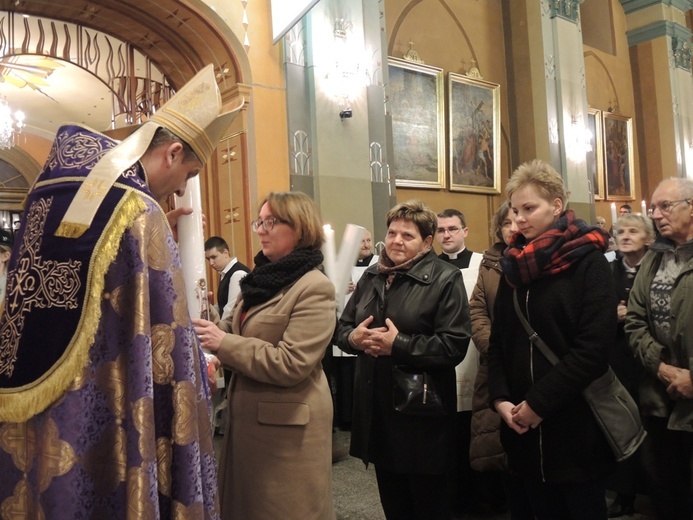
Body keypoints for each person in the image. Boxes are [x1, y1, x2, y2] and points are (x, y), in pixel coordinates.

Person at [0, 64, 241, 518]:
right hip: (109, 413)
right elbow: (166, 341)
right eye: (188, 174)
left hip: (31, 404)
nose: (181, 191)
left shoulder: (49, 192)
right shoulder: (138, 209)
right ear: (171, 154)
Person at [193, 191, 337, 520]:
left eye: (270, 222)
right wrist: (207, 315)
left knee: (284, 510)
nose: (260, 229)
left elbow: (291, 363)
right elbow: (232, 327)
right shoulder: (260, 280)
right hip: (249, 425)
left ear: (300, 228)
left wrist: (223, 343)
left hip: (286, 433)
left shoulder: (314, 287)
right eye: (259, 221)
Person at [488, 159, 617, 519]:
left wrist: (538, 405)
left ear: (557, 206)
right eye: (515, 210)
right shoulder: (513, 265)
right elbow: (498, 342)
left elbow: (593, 349)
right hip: (520, 429)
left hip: (573, 426)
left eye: (529, 208)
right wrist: (500, 400)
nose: (519, 219)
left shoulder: (589, 263)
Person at [335, 200, 471, 520]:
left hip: (421, 415)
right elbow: (343, 327)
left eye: (407, 235)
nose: (396, 240)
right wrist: (352, 339)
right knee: (394, 504)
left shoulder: (445, 278)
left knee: (428, 505)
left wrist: (399, 344)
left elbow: (454, 346)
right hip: (377, 409)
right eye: (393, 232)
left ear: (426, 241)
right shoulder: (373, 275)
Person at [625, 177, 693, 520]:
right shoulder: (654, 257)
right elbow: (634, 320)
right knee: (666, 492)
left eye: (664, 206)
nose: (655, 214)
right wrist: (663, 368)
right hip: (660, 394)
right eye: (653, 208)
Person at [469, 200, 534, 519]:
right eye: (507, 223)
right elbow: (477, 308)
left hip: (533, 366)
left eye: (519, 221)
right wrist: (494, 347)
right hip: (497, 364)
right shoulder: (491, 261)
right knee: (501, 444)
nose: (514, 227)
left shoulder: (540, 258)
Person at [605, 213, 654, 518]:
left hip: (650, 363)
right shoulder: (606, 270)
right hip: (617, 361)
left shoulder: (656, 268)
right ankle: (625, 494)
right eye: (620, 231)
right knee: (622, 428)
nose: (625, 236)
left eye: (633, 231)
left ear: (648, 238)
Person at [435, 207, 484, 515]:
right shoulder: (430, 266)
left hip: (475, 353)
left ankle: (478, 497)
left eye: (453, 229)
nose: (447, 235)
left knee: (473, 427)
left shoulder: (481, 263)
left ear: (465, 231)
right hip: (441, 354)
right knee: (447, 434)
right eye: (441, 230)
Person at [204, 235, 250, 320]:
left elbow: (230, 311)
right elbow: (221, 304)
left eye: (214, 257)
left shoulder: (237, 274)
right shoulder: (225, 272)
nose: (211, 263)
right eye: (208, 259)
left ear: (225, 253)